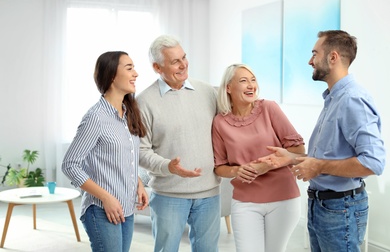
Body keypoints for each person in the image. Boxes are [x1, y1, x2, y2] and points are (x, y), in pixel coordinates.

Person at [261, 30, 386, 252]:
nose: (310, 61)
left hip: (341, 210)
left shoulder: (352, 99)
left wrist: (318, 166)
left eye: (314, 54)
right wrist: (293, 158)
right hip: (321, 206)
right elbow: (329, 156)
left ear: (333, 57)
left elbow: (373, 163)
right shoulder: (332, 99)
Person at [136, 34, 220, 252]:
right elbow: (140, 150)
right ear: (157, 67)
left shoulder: (208, 91)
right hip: (168, 195)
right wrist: (167, 166)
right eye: (175, 61)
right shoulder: (144, 102)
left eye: (184, 57)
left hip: (209, 192)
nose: (183, 65)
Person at [212, 63, 305, 252]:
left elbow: (299, 150)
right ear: (228, 88)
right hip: (245, 201)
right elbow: (220, 166)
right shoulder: (220, 123)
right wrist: (237, 170)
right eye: (244, 81)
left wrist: (267, 166)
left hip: (283, 198)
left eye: (253, 80)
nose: (251, 85)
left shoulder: (269, 108)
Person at [62, 51, 149, 252]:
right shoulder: (96, 118)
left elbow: (124, 158)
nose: (136, 73)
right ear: (111, 75)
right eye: (129, 68)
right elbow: (70, 164)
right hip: (101, 210)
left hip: (126, 208)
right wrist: (106, 197)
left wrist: (138, 184)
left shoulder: (128, 114)